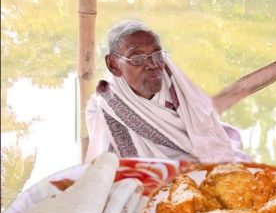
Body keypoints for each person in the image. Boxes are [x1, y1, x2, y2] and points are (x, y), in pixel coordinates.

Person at [84, 20, 248, 163]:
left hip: (193, 168)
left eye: (156, 55)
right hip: (144, 182)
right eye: (137, 58)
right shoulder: (104, 107)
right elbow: (102, 165)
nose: (152, 65)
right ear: (113, 65)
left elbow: (208, 135)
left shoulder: (178, 89)